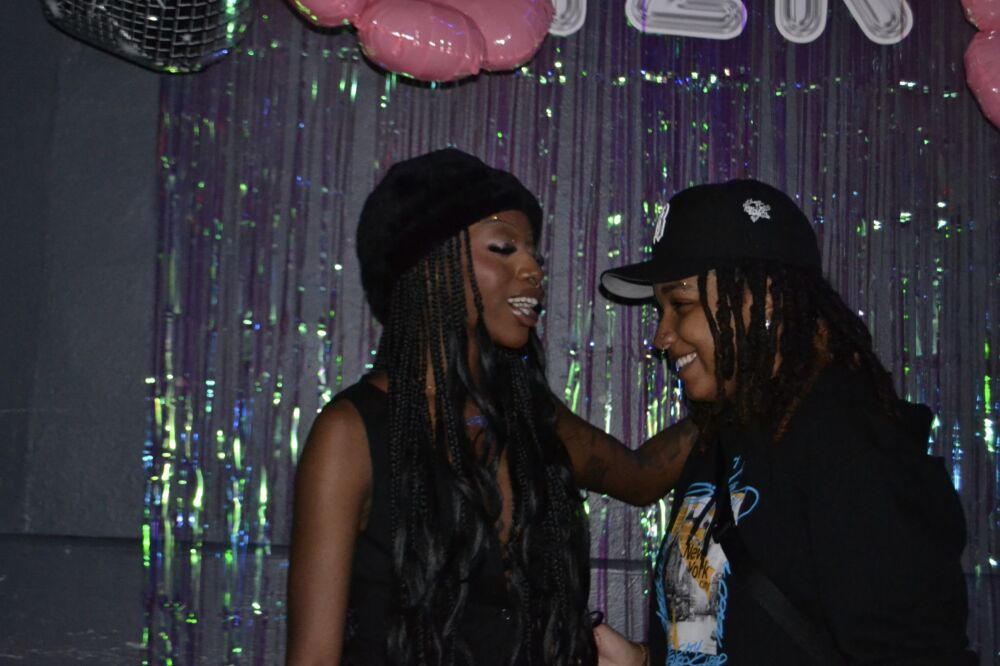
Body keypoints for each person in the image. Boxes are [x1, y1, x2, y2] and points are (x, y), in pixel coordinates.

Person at [286, 148, 697, 666]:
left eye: (535, 254)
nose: (533, 269)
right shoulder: (351, 433)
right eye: (504, 248)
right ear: (428, 267)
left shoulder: (528, 412)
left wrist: (738, 388)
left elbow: (639, 476)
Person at [593, 179, 975, 665]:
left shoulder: (851, 446)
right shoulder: (722, 441)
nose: (661, 336)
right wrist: (642, 660)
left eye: (680, 305)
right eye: (659, 310)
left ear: (763, 299)